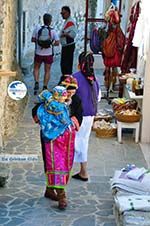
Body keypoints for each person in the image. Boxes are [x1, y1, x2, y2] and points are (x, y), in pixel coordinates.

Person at [32, 79, 82, 210]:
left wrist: (70, 122)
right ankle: (62, 196)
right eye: (68, 91)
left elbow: (79, 115)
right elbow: (36, 113)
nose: (70, 94)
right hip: (50, 140)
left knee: (63, 164)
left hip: (66, 141)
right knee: (53, 165)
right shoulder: (49, 100)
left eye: (73, 91)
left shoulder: (75, 100)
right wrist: (49, 121)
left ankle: (49, 190)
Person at [72, 52, 100, 181]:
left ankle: (66, 170)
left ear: (79, 64)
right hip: (90, 115)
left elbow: (67, 98)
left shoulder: (74, 78)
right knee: (83, 141)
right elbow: (98, 98)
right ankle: (83, 171)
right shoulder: (94, 79)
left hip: (78, 116)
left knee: (73, 142)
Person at [31, 13, 59, 94]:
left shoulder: (37, 29)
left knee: (36, 68)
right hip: (48, 54)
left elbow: (32, 39)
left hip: (38, 53)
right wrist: (50, 44)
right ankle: (45, 87)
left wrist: (39, 42)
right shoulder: (52, 31)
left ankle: (36, 82)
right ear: (50, 21)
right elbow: (57, 42)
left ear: (43, 20)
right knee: (47, 70)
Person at [60, 6, 77, 78]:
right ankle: (65, 79)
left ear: (68, 13)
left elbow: (73, 34)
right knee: (64, 64)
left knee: (66, 65)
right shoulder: (67, 21)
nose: (62, 15)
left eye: (63, 13)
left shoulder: (70, 22)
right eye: (61, 13)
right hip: (66, 45)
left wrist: (64, 34)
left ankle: (67, 80)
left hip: (68, 45)